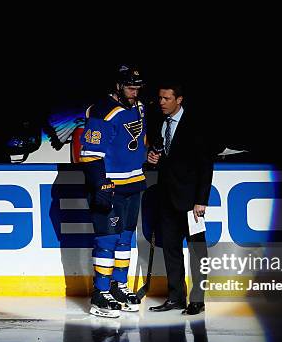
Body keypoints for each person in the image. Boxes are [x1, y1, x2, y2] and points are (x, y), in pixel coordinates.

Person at [79, 64, 148, 318]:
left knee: (125, 238)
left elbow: (136, 142)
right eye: (130, 87)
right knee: (107, 240)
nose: (135, 92)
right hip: (111, 187)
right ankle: (100, 293)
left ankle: (119, 286)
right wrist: (101, 183)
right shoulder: (102, 112)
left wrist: (147, 156)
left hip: (134, 183)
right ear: (118, 86)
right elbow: (89, 153)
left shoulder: (139, 107)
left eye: (138, 88)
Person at [147, 83, 214, 315]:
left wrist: (201, 200)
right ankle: (176, 297)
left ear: (179, 100)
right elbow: (160, 154)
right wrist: (153, 158)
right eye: (160, 98)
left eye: (166, 98)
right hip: (166, 198)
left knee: (197, 251)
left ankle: (198, 299)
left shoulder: (195, 126)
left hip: (191, 202)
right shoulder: (160, 122)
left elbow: (205, 165)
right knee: (171, 250)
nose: (162, 102)